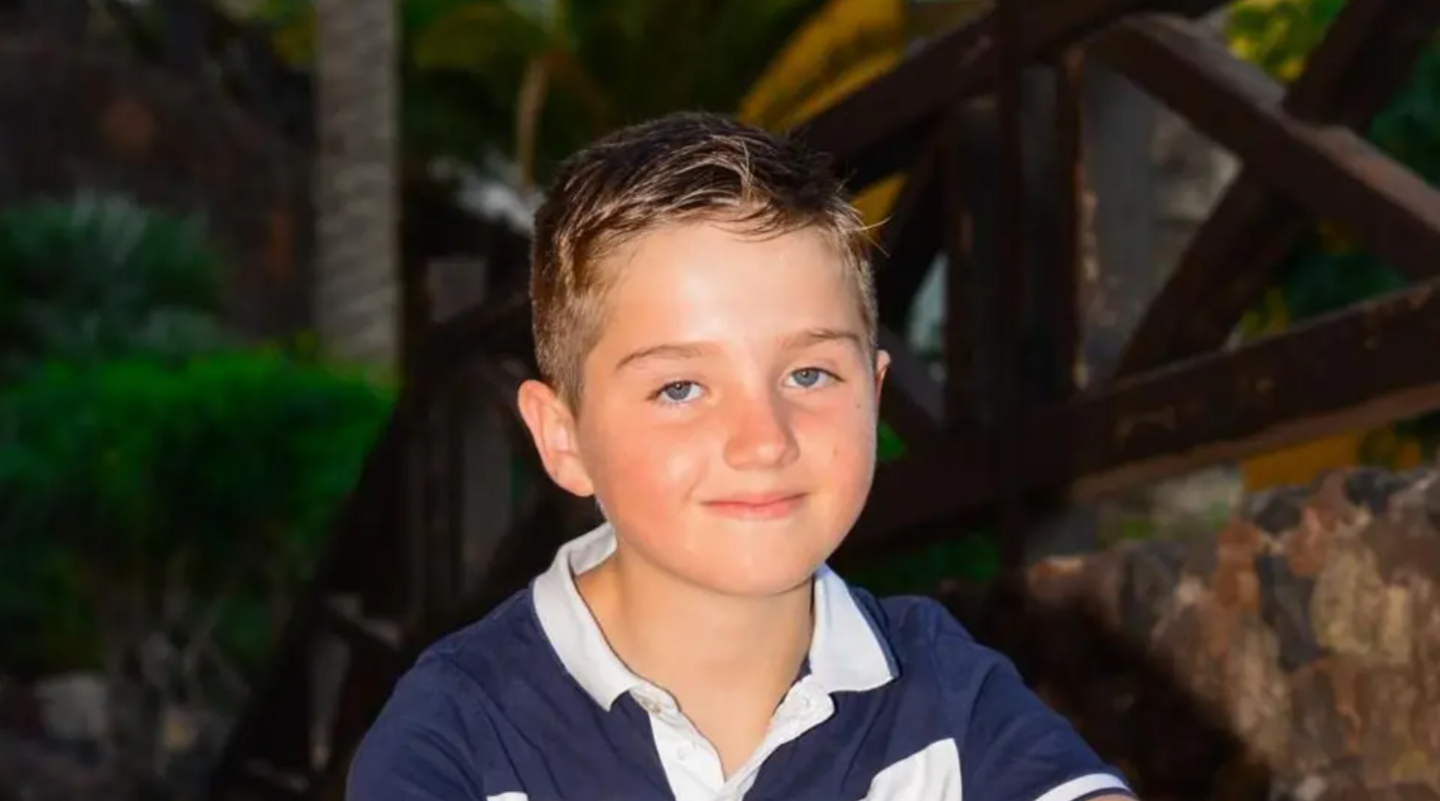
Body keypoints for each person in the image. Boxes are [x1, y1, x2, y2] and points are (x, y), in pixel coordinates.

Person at [347, 112, 1136, 801]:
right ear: (564, 438)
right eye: (682, 387)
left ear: (874, 387)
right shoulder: (458, 730)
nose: (765, 438)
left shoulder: (944, 689)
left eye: (809, 373)